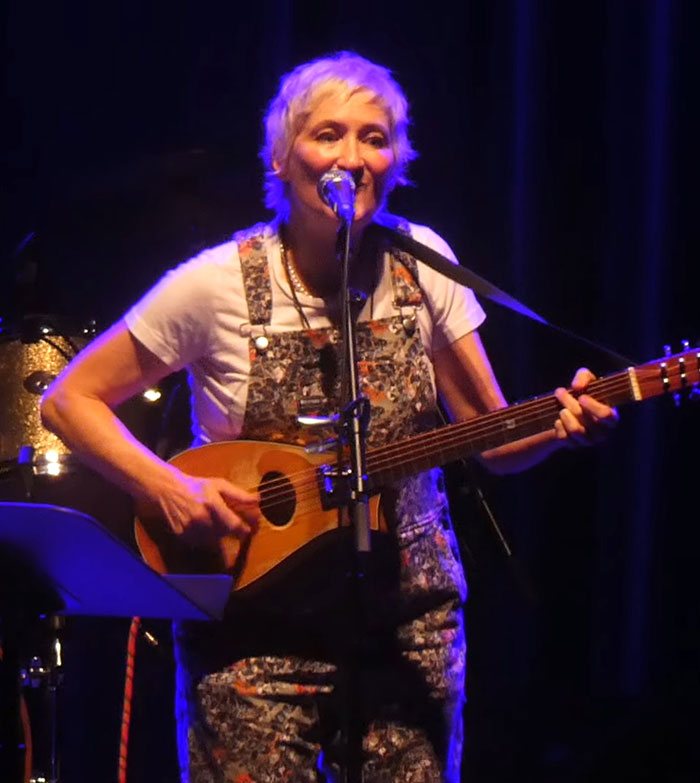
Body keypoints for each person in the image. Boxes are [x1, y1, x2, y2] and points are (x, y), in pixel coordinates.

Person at [41, 51, 618, 783]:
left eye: (375, 138)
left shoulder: (425, 267)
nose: (353, 157)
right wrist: (165, 488)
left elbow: (491, 434)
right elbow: (68, 399)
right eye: (328, 134)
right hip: (253, 631)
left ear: (398, 159)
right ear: (281, 158)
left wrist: (561, 429)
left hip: (406, 629)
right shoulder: (212, 285)